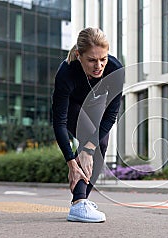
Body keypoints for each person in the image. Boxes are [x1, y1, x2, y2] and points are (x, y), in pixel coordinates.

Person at [52, 27, 124, 223]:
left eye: (103, 59)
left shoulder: (116, 70)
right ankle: (79, 203)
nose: (98, 66)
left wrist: (88, 149)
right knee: (88, 135)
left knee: (99, 145)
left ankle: (81, 201)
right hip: (74, 105)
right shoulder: (66, 72)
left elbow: (112, 113)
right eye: (92, 60)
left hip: (96, 104)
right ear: (79, 55)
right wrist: (71, 161)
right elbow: (59, 121)